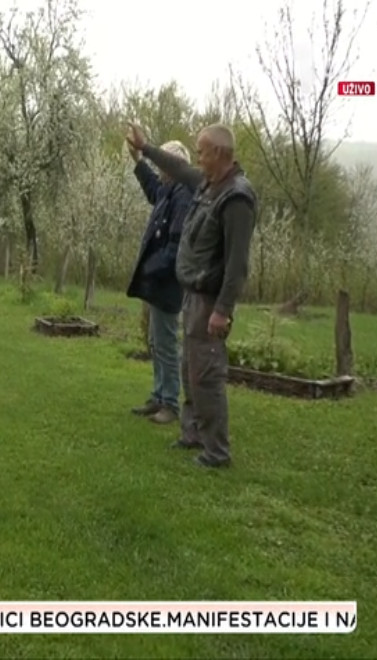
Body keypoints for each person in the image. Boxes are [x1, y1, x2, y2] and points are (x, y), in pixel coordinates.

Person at [125, 122, 257, 468]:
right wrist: (146, 149)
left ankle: (216, 452)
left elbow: (237, 263)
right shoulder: (208, 185)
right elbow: (177, 169)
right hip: (192, 293)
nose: (197, 158)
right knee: (189, 370)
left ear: (218, 153)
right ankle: (192, 434)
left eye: (201, 151)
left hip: (211, 299)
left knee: (207, 376)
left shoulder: (236, 197)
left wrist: (223, 309)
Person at [125, 139, 194, 425]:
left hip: (167, 281)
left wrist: (151, 268)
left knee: (165, 343)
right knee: (156, 341)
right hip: (158, 279)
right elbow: (154, 190)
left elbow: (176, 247)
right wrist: (139, 161)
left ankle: (170, 403)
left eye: (164, 163)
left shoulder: (183, 195)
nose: (161, 169)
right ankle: (158, 396)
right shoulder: (170, 189)